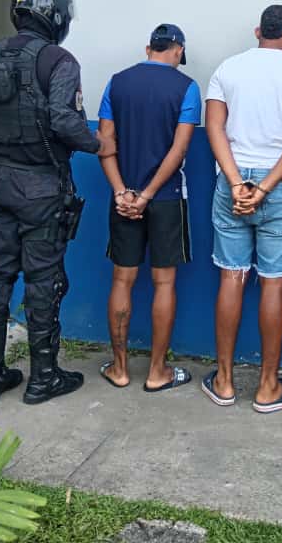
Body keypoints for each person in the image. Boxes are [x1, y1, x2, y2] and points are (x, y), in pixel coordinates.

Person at [0, 0, 107, 405]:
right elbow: (64, 120)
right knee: (44, 280)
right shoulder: (58, 60)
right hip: (41, 185)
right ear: (55, 15)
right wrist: (98, 144)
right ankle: (43, 378)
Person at [203, 4, 282, 413]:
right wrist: (266, 187)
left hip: (232, 183)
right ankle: (268, 386)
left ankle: (223, 382)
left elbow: (214, 127)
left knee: (232, 276)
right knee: (273, 284)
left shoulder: (228, 69)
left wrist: (237, 183)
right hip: (281, 186)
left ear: (258, 31)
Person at [97, 23, 201, 392]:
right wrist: (148, 195)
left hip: (123, 198)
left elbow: (105, 142)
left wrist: (122, 192)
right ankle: (157, 372)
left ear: (148, 49)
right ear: (178, 50)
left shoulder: (116, 83)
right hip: (166, 198)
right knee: (164, 282)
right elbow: (179, 149)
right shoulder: (187, 87)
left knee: (121, 280)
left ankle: (120, 369)